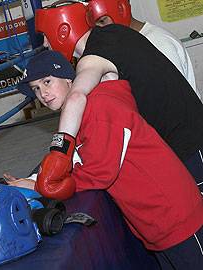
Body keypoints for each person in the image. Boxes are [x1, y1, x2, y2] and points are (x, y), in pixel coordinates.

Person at [13, 49, 203, 270]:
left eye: (47, 81)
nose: (43, 93)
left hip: (175, 217)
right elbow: (75, 161)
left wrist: (41, 186)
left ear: (68, 78)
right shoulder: (77, 118)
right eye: (36, 88)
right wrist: (35, 178)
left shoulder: (100, 106)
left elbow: (99, 172)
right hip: (155, 222)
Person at [32, 1, 203, 192]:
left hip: (186, 146)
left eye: (45, 36)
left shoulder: (93, 59)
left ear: (63, 31)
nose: (45, 44)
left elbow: (76, 97)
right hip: (188, 138)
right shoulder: (117, 34)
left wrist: (58, 153)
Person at [85, 0, 200, 99]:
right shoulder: (123, 45)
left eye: (102, 21)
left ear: (122, 9)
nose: (99, 31)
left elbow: (174, 105)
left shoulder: (159, 43)